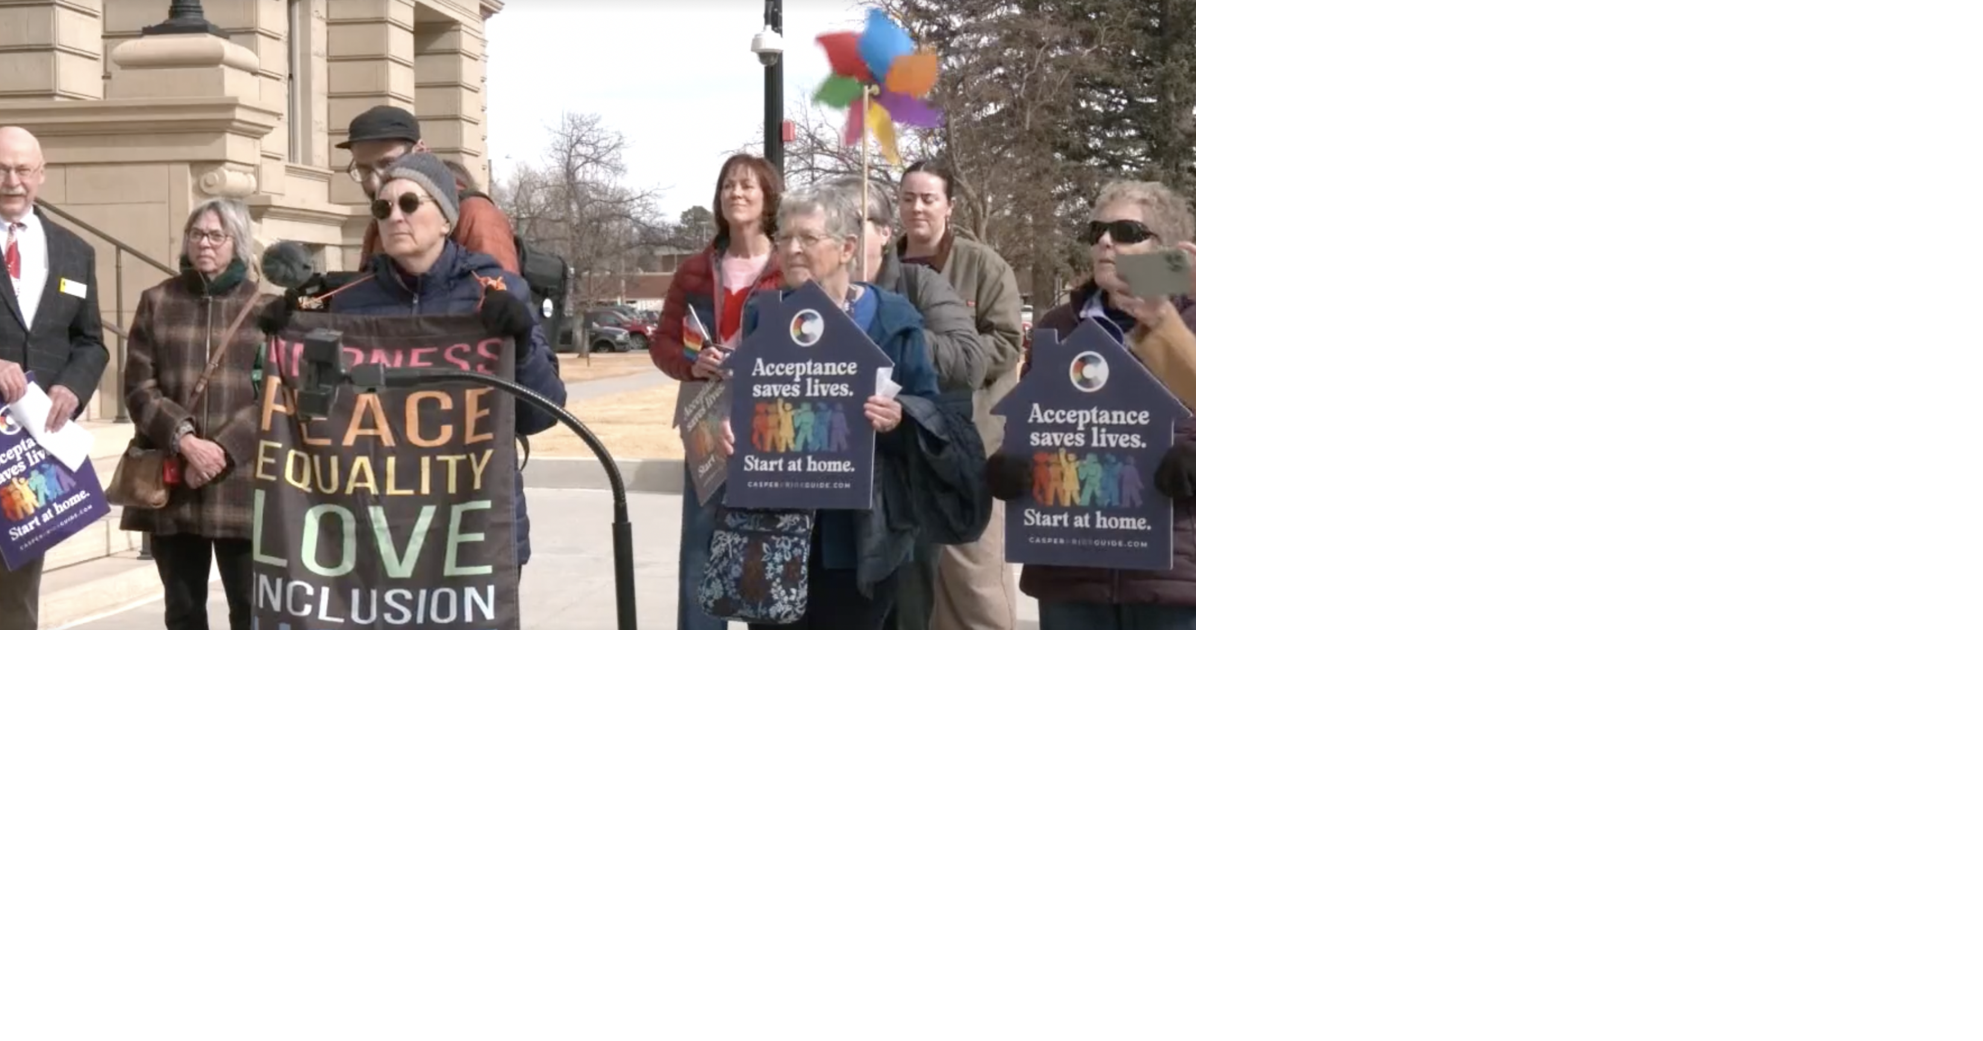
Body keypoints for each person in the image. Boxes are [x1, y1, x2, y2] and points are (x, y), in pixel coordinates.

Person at [316, 153, 566, 571]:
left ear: (447, 219)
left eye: (410, 204)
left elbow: (543, 412)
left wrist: (521, 343)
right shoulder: (348, 302)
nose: (395, 216)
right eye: (383, 207)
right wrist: (285, 332)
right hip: (378, 531)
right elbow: (319, 407)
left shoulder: (496, 290)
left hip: (474, 529)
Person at [725, 186, 938, 629]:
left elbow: (934, 416)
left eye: (807, 237)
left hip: (859, 540)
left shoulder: (892, 320)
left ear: (847, 248)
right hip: (773, 536)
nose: (792, 249)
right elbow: (740, 401)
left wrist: (900, 417)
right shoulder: (763, 316)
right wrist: (727, 424)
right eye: (784, 238)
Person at [991, 180, 1198, 630]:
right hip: (1070, 571)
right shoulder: (1058, 326)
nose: (1105, 241)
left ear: (1168, 249)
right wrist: (1012, 463)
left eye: (1125, 231)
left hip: (1171, 569)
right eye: (1098, 231)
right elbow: (1031, 426)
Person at [836, 177, 994, 629]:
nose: (844, 231)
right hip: (828, 489)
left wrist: (888, 333)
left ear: (886, 232)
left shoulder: (917, 284)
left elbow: (969, 360)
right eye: (835, 221)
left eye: (858, 219)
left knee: (907, 609)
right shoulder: (805, 301)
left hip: (902, 484)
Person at [650, 153, 786, 630]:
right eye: (729, 185)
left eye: (748, 185)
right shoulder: (693, 270)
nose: (737, 193)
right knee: (702, 548)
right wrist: (691, 363)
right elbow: (662, 341)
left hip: (770, 423)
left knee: (764, 547)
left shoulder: (789, 268)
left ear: (768, 196)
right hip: (706, 416)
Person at [120, 200, 267, 629]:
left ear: (237, 243)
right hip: (172, 475)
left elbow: (277, 394)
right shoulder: (158, 301)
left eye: (216, 235)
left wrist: (221, 449)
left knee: (250, 605)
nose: (204, 243)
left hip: (240, 477)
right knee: (183, 610)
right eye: (196, 234)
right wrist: (185, 440)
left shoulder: (266, 309)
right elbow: (138, 387)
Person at [896, 160, 1025, 629]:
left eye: (929, 198)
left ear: (949, 206)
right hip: (903, 449)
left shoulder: (982, 265)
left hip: (970, 446)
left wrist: (937, 355)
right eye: (909, 197)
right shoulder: (883, 266)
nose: (918, 208)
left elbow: (1008, 343)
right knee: (913, 585)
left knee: (974, 578)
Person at [0, 126, 109, 630]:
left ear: (41, 175)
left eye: (23, 169)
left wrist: (73, 385)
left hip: (28, 449)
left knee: (17, 587)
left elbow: (90, 340)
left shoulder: (74, 252)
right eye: (2, 169)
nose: (12, 180)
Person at [339, 105, 520, 274]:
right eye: (364, 170)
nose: (373, 182)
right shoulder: (383, 218)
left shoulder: (476, 213)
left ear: (421, 150)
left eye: (388, 164)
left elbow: (503, 297)